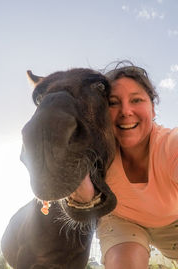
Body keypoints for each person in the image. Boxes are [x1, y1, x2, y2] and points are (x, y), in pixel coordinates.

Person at [70, 61, 178, 269]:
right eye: (113, 103)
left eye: (136, 100)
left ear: (153, 109)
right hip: (122, 219)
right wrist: (83, 200)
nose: (126, 111)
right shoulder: (95, 153)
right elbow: (82, 200)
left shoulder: (170, 144)